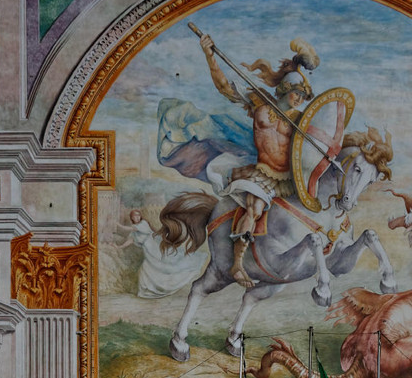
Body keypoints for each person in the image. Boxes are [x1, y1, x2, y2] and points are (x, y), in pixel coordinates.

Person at [199, 32, 316, 288]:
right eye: (297, 92)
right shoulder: (260, 103)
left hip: (289, 179)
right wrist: (210, 58)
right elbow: (225, 88)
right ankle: (238, 265)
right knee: (254, 208)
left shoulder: (301, 120)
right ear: (285, 89)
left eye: (303, 95)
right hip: (261, 173)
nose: (300, 98)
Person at [125, 209, 206, 298]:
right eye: (134, 216)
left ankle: (168, 285)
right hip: (148, 252)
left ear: (140, 217)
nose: (136, 217)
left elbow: (131, 228)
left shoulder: (143, 224)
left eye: (138, 215)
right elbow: (130, 240)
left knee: (168, 264)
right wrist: (118, 247)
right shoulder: (134, 231)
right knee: (147, 269)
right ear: (131, 218)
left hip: (154, 247)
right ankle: (147, 292)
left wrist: (118, 225)